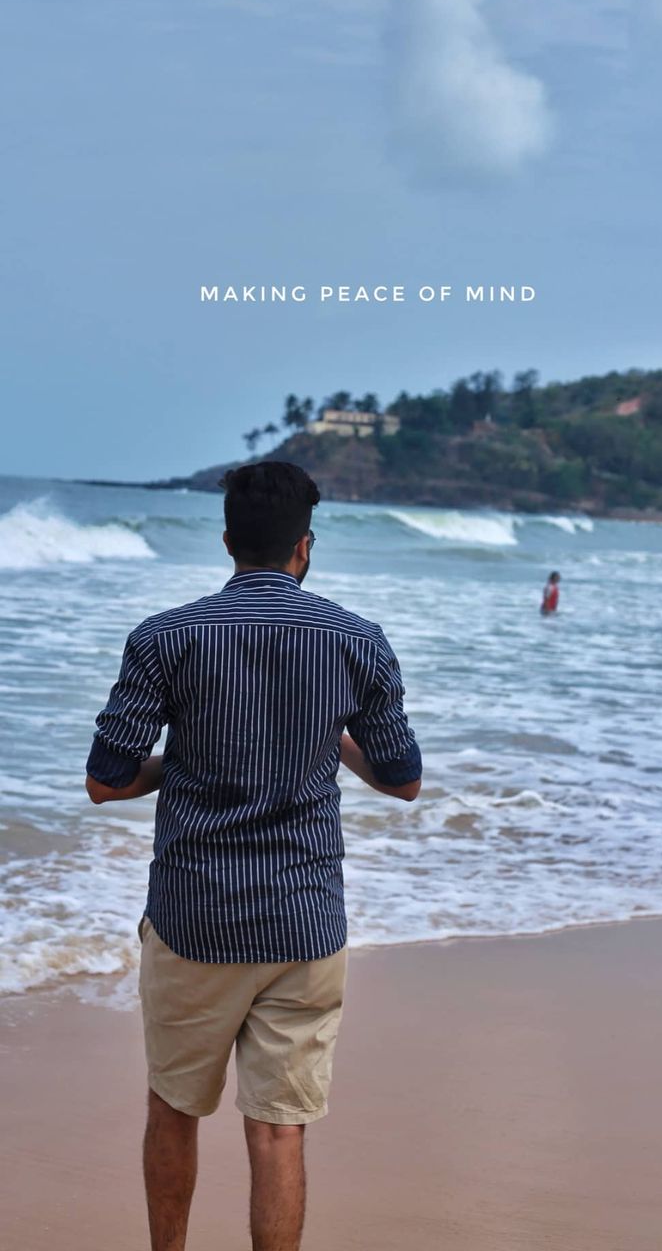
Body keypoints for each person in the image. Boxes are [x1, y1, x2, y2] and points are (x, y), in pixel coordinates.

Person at [85, 461, 422, 1251]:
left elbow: (107, 782)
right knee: (278, 1131)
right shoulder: (357, 641)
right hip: (303, 924)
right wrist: (324, 739)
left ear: (228, 539)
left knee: (173, 1107)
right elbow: (403, 780)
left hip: (195, 916)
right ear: (305, 547)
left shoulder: (165, 638)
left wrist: (185, 759)